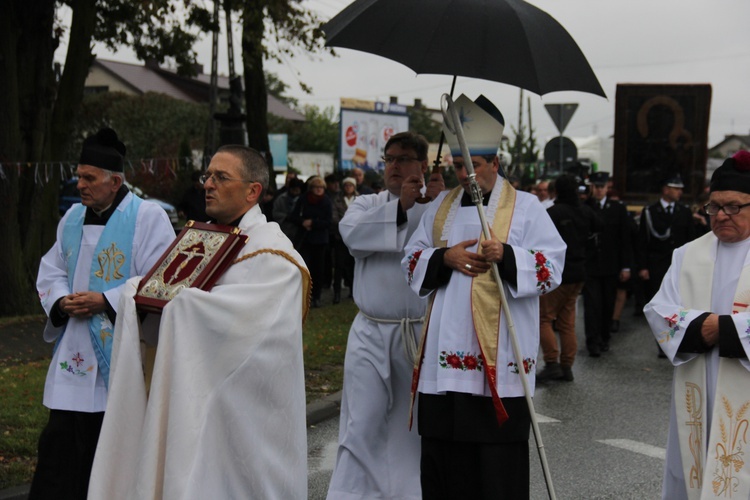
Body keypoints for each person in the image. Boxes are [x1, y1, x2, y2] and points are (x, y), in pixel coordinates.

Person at [88, 145, 311, 499]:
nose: (208, 184)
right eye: (207, 176)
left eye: (221, 177)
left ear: (253, 191)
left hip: (244, 415)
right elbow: (166, 290)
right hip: (195, 395)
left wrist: (183, 304)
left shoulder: (276, 257)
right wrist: (137, 292)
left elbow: (251, 329)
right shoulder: (202, 241)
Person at [401, 95, 566, 499]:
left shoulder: (526, 208)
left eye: (472, 166)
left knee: (496, 469)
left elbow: (552, 266)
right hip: (444, 358)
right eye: (458, 166)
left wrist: (507, 255)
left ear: (494, 162)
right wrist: (445, 257)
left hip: (501, 356)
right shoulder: (441, 205)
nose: (465, 175)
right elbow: (411, 258)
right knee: (444, 460)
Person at [31, 128, 175, 499]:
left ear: (115, 181)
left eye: (89, 178)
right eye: (79, 176)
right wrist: (62, 301)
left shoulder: (148, 217)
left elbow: (159, 279)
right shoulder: (73, 218)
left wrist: (107, 300)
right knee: (60, 444)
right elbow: (52, 269)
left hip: (122, 348)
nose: (80, 184)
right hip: (75, 345)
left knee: (105, 445)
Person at [327, 132, 445, 500]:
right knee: (362, 419)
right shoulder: (367, 204)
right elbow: (353, 237)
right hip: (371, 330)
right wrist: (401, 208)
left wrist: (439, 201)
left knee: (410, 426)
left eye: (404, 158)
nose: (394, 165)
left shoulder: (443, 207)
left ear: (424, 165)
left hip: (420, 333)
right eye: (389, 159)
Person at [644, 150, 750, 499]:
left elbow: (723, 327)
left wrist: (727, 330)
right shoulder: (688, 254)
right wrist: (699, 326)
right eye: (714, 206)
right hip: (699, 381)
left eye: (733, 206)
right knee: (695, 468)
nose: (721, 215)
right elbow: (659, 308)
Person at [537, 174, 602, 382]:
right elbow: (600, 226)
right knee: (566, 321)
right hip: (579, 272)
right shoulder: (585, 211)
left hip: (558, 273)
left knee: (544, 318)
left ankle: (551, 362)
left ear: (555, 191)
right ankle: (567, 366)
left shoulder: (553, 213)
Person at [583, 171, 633, 356]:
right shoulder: (585, 206)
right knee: (591, 305)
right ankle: (592, 341)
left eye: (601, 187)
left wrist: (626, 266)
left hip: (611, 264)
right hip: (591, 265)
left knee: (607, 304)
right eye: (595, 187)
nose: (598, 190)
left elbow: (624, 238)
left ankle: (604, 338)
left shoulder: (617, 208)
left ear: (607, 187)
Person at [637, 173, 696, 305]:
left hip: (678, 264)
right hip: (656, 263)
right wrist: (643, 267)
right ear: (666, 190)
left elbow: (691, 239)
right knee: (657, 300)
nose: (680, 192)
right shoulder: (650, 211)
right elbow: (642, 241)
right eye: (676, 189)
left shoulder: (684, 211)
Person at [289, 176, 332, 308]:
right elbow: (293, 216)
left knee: (318, 269)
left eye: (321, 187)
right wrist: (303, 222)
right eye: (316, 187)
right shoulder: (303, 199)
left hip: (320, 239)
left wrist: (313, 223)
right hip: (305, 238)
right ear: (311, 188)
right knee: (304, 267)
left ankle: (316, 296)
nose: (319, 190)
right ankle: (304, 295)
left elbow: (328, 222)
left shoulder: (326, 201)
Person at [330, 176, 358, 304]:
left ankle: (354, 291)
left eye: (350, 185)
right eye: (346, 185)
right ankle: (337, 294)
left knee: (354, 266)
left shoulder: (360, 199)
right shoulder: (337, 200)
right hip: (340, 237)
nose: (348, 188)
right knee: (339, 266)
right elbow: (334, 217)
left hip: (356, 237)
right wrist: (346, 225)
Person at [273, 176, 305, 242]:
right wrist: (286, 216)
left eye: (297, 190)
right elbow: (275, 213)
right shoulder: (281, 198)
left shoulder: (303, 200)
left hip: (298, 231)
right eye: (293, 190)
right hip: (283, 230)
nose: (295, 192)